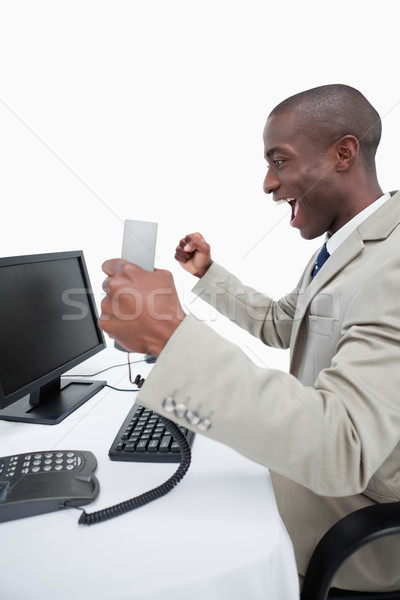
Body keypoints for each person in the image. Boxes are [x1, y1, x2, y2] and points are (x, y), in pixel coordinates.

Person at [99, 84, 400, 592]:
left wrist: (172, 339)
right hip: (321, 466)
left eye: (279, 161)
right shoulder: (346, 244)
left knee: (165, 537)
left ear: (343, 153)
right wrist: (208, 273)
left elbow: (346, 448)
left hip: (357, 514)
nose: (267, 183)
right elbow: (283, 323)